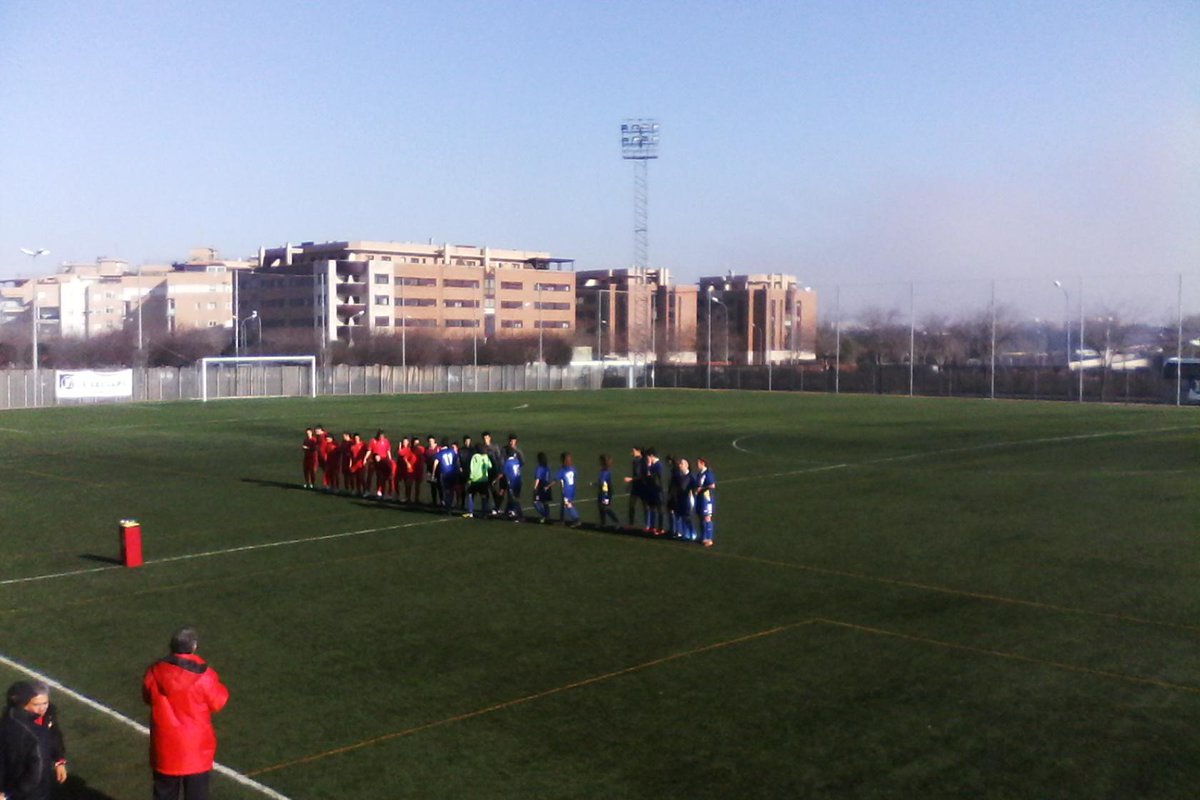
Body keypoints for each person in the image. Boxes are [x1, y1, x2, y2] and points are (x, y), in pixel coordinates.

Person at [143, 627, 229, 800]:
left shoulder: (155, 671)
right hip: (195, 748)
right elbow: (218, 701)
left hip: (165, 746)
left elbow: (147, 696)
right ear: (193, 646)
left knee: (164, 794)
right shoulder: (204, 675)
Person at [0, 681, 67, 800]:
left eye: (45, 703)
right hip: (22, 782)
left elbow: (54, 736)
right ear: (23, 704)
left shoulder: (48, 714)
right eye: (36, 704)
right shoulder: (17, 724)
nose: (42, 708)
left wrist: (59, 760)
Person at [694, 457, 717, 548]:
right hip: (700, 499)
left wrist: (702, 489)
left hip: (706, 499)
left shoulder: (708, 473)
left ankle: (709, 539)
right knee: (701, 517)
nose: (697, 465)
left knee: (707, 518)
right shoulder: (699, 474)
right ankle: (703, 537)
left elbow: (712, 485)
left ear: (703, 463)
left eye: (698, 463)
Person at [465, 444, 493, 518]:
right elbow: (490, 466)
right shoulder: (485, 456)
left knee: (471, 495)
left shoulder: (475, 457)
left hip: (475, 480)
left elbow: (472, 468)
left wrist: (470, 479)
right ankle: (484, 513)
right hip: (484, 480)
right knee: (484, 496)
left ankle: (470, 512)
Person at [556, 452, 581, 528]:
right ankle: (561, 521)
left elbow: (557, 479)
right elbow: (575, 476)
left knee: (568, 504)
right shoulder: (573, 469)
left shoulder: (563, 470)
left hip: (566, 491)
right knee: (563, 505)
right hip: (571, 490)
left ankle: (577, 520)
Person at [596, 455, 621, 529]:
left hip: (606, 492)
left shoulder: (605, 472)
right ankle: (603, 523)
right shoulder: (603, 470)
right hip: (602, 491)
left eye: (600, 461)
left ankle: (617, 522)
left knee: (605, 507)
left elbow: (603, 482)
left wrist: (596, 484)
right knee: (600, 507)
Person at [501, 445, 523, 521]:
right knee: (511, 498)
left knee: (514, 499)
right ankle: (506, 513)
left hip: (512, 483)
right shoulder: (516, 461)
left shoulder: (507, 463)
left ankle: (520, 515)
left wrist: (496, 480)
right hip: (519, 482)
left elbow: (504, 474)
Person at [532, 451, 552, 523]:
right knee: (545, 502)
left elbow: (538, 478)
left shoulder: (539, 468)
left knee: (535, 502)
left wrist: (535, 488)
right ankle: (547, 516)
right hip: (548, 486)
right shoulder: (548, 466)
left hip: (541, 487)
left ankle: (545, 516)